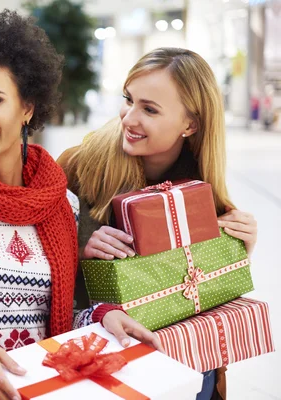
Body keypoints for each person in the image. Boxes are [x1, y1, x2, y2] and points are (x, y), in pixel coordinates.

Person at [0, 6, 161, 400]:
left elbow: (60, 319)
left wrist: (104, 316)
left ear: (27, 107)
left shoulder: (60, 204)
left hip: (46, 385)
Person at [58, 47, 258, 400]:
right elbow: (34, 275)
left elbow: (203, 293)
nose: (128, 118)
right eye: (128, 100)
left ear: (190, 124)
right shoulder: (76, 168)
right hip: (101, 360)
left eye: (149, 109)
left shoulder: (202, 190)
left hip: (183, 364)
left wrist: (237, 251)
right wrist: (78, 252)